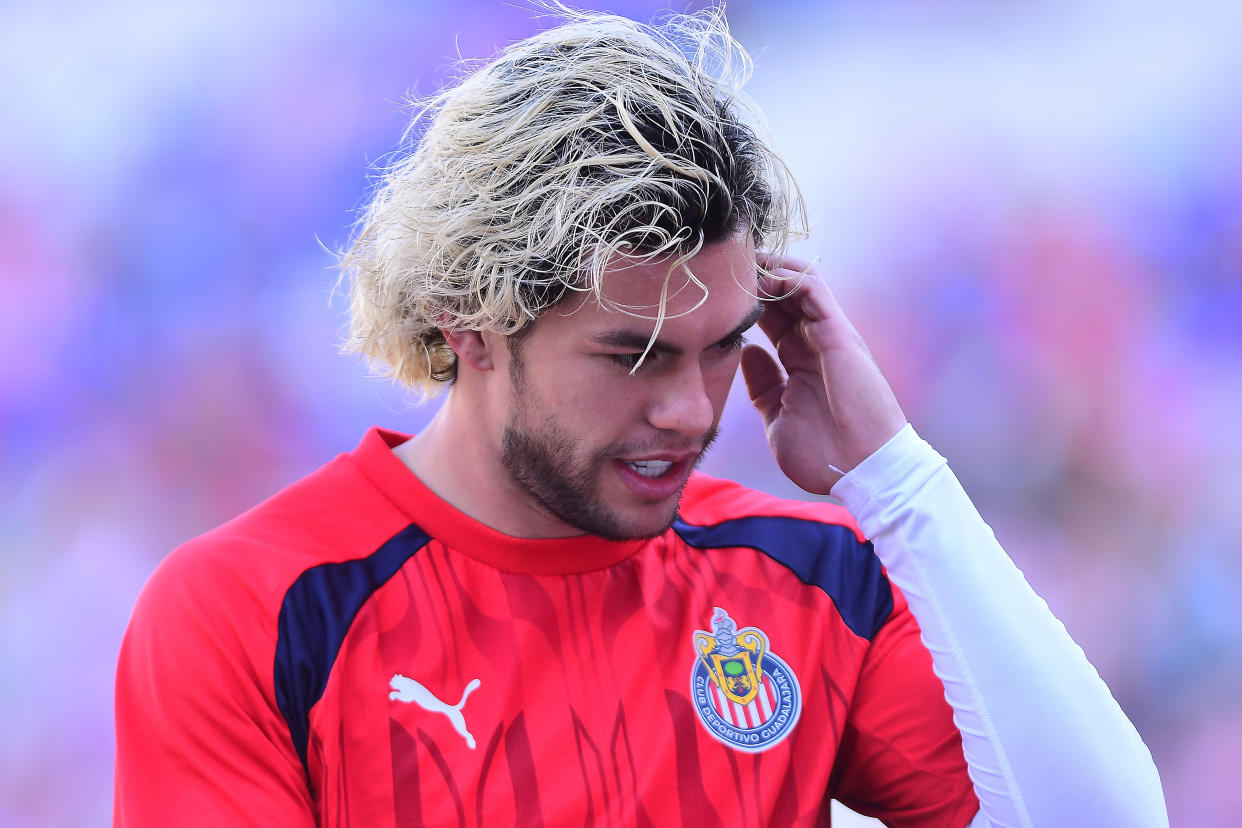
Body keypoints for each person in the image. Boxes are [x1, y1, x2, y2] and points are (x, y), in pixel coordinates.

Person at [114, 7, 1168, 827]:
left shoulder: (809, 578)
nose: (689, 408)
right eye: (633, 356)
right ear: (468, 320)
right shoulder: (251, 609)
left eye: (723, 347)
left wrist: (896, 480)